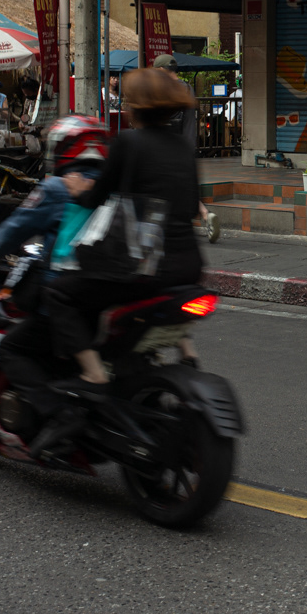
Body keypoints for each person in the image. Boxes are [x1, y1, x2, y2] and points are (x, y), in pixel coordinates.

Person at [0, 116, 108, 444]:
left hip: (68, 303)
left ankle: (60, 414)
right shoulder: (114, 184)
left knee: (13, 348)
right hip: (113, 299)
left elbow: (7, 236)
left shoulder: (58, 188)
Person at [43, 68, 202, 393]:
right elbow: (189, 207)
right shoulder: (184, 147)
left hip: (142, 268)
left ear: (136, 108)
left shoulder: (128, 142)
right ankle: (186, 349)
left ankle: (93, 373)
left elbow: (98, 197)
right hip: (189, 266)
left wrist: (78, 190)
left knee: (59, 293)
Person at [152, 53, 220, 242]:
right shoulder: (187, 88)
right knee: (183, 184)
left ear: (161, 70)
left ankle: (166, 225)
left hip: (168, 146)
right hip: (188, 145)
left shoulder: (163, 90)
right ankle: (205, 214)